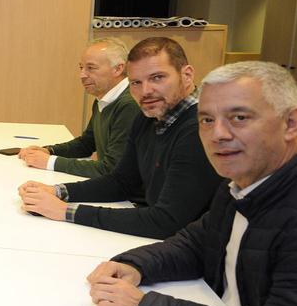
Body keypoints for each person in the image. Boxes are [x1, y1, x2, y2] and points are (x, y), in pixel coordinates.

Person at [86, 62, 297, 306]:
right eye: (206, 120)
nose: (219, 134)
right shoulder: (240, 184)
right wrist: (135, 264)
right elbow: (197, 244)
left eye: (239, 118)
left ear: (291, 123)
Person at [19, 37, 222, 239]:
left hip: (191, 253)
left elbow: (167, 221)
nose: (146, 91)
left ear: (187, 75)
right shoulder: (147, 118)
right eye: (136, 82)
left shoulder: (200, 130)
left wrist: (65, 211)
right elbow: (121, 182)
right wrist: (57, 191)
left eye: (157, 78)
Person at [18, 38, 140, 177]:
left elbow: (111, 169)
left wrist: (51, 162)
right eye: (81, 68)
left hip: (130, 197)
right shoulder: (104, 98)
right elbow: (86, 144)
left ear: (118, 68)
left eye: (91, 68)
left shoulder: (129, 105)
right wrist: (49, 151)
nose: (82, 75)